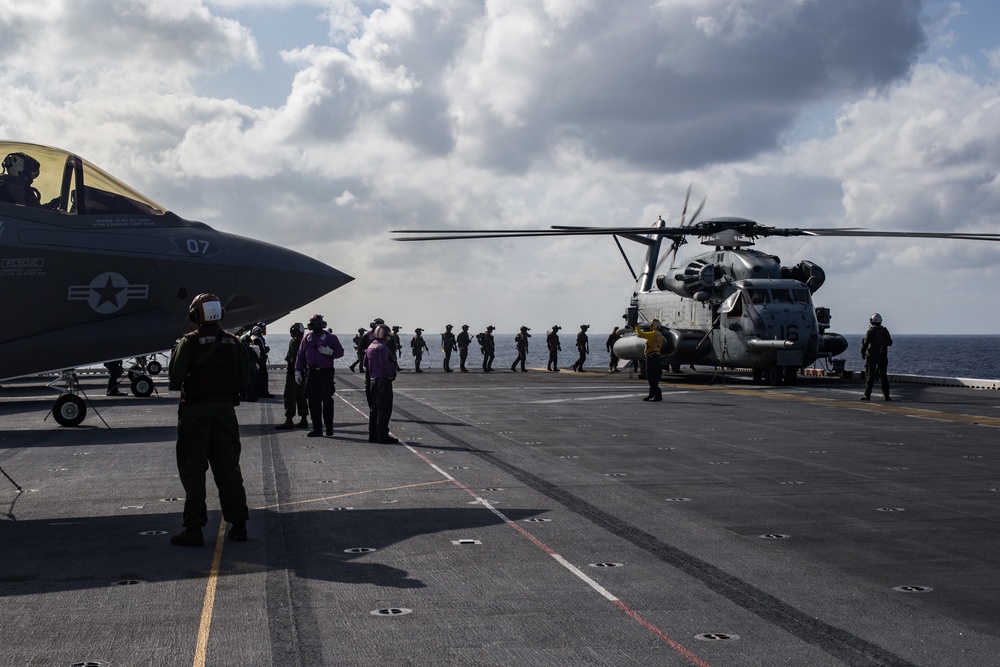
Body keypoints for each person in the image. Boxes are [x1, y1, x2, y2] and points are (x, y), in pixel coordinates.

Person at [167, 293, 251, 546]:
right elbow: (245, 379)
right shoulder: (235, 342)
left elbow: (176, 376)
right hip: (226, 411)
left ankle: (193, 529)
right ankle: (239, 525)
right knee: (228, 468)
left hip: (196, 411)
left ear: (195, 316)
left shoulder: (189, 342)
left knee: (194, 470)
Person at [295, 314, 345, 436]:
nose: (315, 327)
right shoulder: (307, 338)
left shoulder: (331, 338)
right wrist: (298, 371)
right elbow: (300, 355)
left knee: (327, 400)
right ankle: (317, 429)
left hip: (326, 372)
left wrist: (331, 352)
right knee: (313, 401)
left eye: (317, 324)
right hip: (312, 372)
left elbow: (340, 352)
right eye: (313, 324)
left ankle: (329, 427)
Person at [364, 324, 399, 444]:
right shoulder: (382, 347)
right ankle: (382, 435)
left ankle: (372, 434)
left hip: (373, 380)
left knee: (374, 409)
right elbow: (385, 364)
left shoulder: (371, 346)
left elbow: (365, 364)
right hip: (383, 381)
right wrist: (392, 371)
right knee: (384, 409)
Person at [275, 323, 309, 430]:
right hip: (303, 372)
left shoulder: (294, 342)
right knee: (301, 396)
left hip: (293, 373)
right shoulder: (304, 341)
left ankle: (289, 420)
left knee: (290, 396)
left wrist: (295, 371)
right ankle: (304, 419)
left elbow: (294, 359)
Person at [860, 312, 893, 401]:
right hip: (883, 356)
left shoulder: (870, 331)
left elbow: (865, 343)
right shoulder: (885, 331)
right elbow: (890, 342)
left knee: (870, 376)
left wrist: (862, 352)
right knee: (883, 376)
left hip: (872, 356)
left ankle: (867, 395)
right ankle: (887, 396)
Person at [634, 319, 665, 402]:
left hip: (651, 357)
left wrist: (636, 326)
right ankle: (652, 394)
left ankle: (658, 395)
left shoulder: (653, 334)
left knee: (650, 377)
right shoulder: (660, 334)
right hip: (657, 357)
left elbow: (640, 334)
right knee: (655, 377)